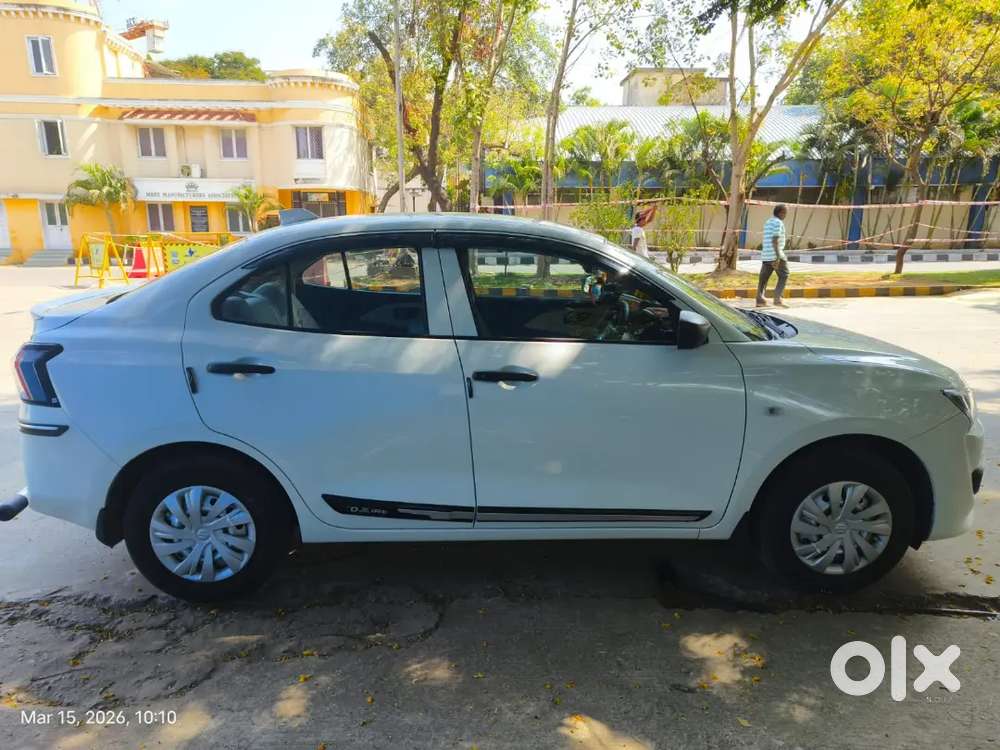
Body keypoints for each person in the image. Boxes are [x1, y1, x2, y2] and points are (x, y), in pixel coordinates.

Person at [757, 204, 790, 307]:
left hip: (766, 254)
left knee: (764, 278)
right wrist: (778, 257)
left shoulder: (768, 222)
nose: (785, 215)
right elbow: (775, 240)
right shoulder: (778, 223)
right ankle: (778, 299)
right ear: (781, 213)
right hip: (775, 254)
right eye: (785, 213)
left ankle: (760, 300)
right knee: (784, 274)